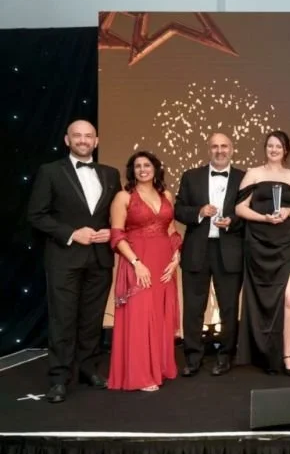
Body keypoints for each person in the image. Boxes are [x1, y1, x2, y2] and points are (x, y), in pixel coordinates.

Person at [27, 119, 121, 403]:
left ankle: (88, 369)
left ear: (97, 140)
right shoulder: (50, 171)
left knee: (92, 320)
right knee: (63, 319)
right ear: (67, 140)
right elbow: (36, 215)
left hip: (99, 259)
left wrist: (111, 230)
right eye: (77, 136)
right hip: (64, 258)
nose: (83, 140)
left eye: (88, 136)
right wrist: (71, 233)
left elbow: (114, 214)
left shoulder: (110, 173)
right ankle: (59, 377)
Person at [108, 151, 182, 391]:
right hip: (138, 261)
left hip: (164, 262)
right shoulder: (123, 197)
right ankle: (140, 375)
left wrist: (176, 256)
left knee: (160, 315)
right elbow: (117, 235)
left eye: (147, 165)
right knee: (140, 317)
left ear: (155, 168)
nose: (142, 169)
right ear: (132, 171)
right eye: (137, 166)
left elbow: (171, 229)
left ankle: (159, 367)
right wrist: (136, 263)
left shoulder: (166, 195)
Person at [174, 132, 245, 376]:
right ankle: (193, 358)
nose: (219, 150)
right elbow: (178, 210)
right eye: (215, 146)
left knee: (229, 307)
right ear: (208, 149)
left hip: (230, 251)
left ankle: (226, 356)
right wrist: (199, 211)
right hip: (197, 250)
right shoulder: (190, 176)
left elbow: (250, 214)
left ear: (232, 149)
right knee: (193, 307)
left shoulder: (244, 178)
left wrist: (232, 221)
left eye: (224, 146)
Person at [234, 131, 290, 375]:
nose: (274, 149)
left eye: (279, 146)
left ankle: (286, 354)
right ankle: (264, 354)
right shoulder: (253, 174)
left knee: (289, 298)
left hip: (286, 242)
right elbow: (240, 209)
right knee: (262, 299)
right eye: (270, 145)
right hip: (258, 242)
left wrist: (287, 211)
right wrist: (264, 217)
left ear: (286, 150)